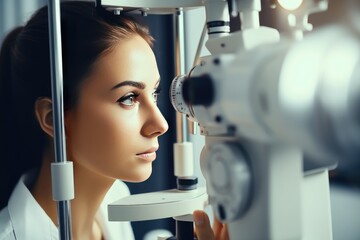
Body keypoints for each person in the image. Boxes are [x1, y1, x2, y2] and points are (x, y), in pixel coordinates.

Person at [0, 1, 228, 239]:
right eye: (129, 98)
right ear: (53, 118)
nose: (161, 125)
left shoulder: (115, 197)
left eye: (155, 93)